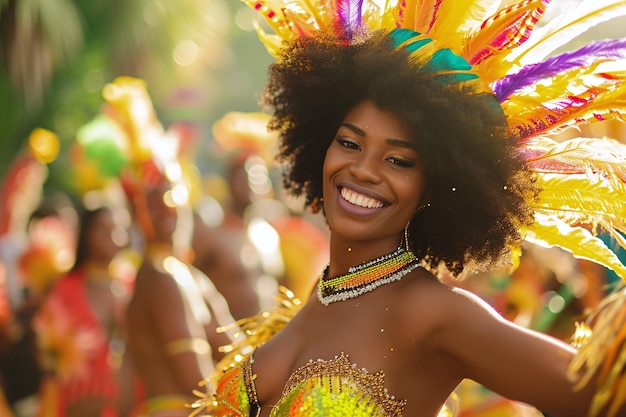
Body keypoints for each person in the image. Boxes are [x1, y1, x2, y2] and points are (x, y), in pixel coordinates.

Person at [191, 1, 626, 416]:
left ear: (434, 188)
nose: (362, 170)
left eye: (398, 160)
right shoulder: (322, 294)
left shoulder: (432, 312)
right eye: (349, 142)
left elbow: (599, 392)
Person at [125, 170, 235, 417]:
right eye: (153, 202)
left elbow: (235, 349)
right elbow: (200, 388)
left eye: (172, 197)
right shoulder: (161, 277)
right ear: (136, 213)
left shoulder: (191, 275)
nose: (167, 208)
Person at [34, 205, 136, 417]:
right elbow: (44, 351)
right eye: (103, 230)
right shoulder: (65, 288)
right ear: (86, 235)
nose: (112, 237)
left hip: (128, 403)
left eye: (118, 229)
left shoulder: (132, 284)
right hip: (74, 403)